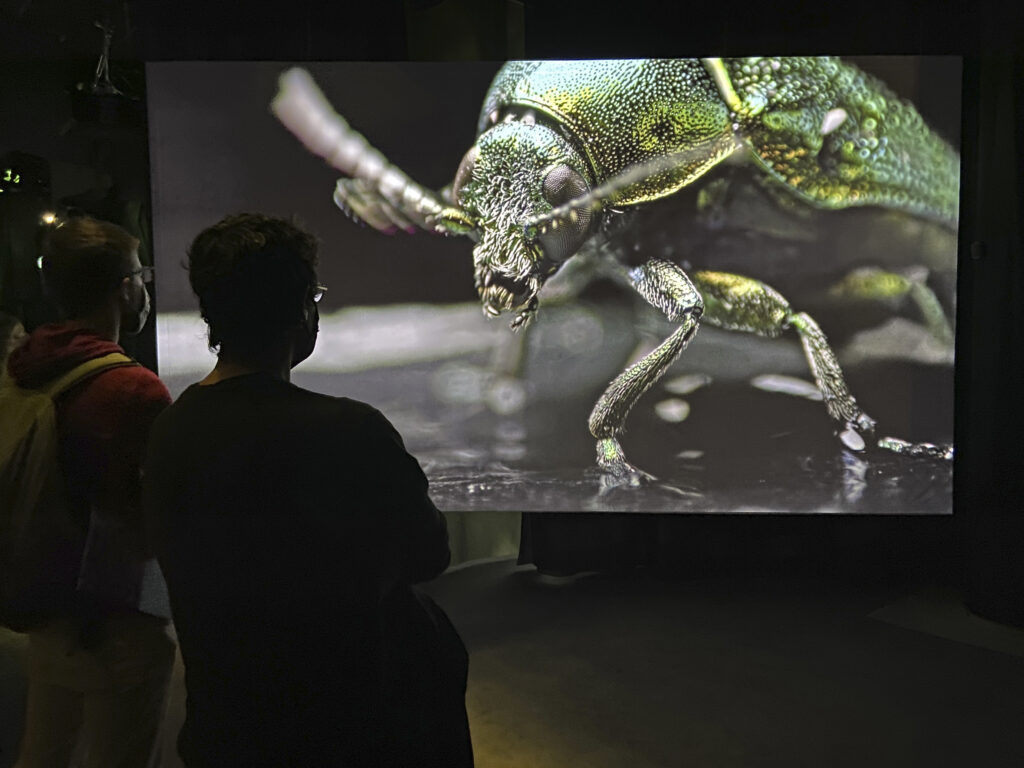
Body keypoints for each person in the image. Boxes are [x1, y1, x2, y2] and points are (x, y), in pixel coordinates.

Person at [142, 213, 473, 767]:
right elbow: (430, 553)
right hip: (352, 724)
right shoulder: (351, 430)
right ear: (302, 310)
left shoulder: (170, 430)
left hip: (231, 723)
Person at [7, 214, 176, 767]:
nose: (144, 287)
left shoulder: (26, 369)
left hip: (43, 603)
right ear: (124, 288)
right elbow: (155, 513)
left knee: (44, 752)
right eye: (140, 274)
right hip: (113, 620)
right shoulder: (131, 389)